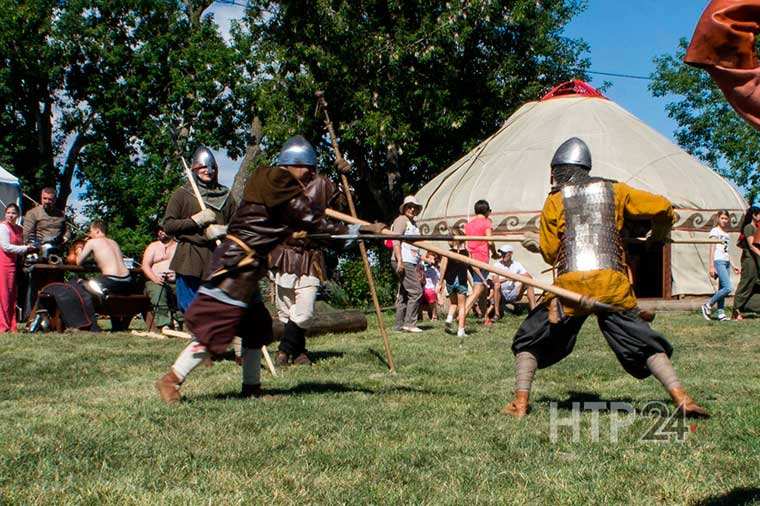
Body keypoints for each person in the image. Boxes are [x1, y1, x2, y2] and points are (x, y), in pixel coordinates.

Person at [155, 135, 383, 403]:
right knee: (215, 326)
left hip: (249, 266)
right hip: (235, 264)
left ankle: (252, 389)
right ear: (293, 164)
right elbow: (309, 219)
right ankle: (171, 380)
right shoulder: (273, 180)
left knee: (256, 326)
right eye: (308, 170)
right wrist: (361, 229)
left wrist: (354, 229)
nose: (311, 175)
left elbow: (307, 223)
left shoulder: (284, 190)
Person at [502, 137, 709, 419]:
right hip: (612, 285)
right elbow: (662, 206)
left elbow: (552, 254)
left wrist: (536, 244)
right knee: (642, 341)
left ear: (559, 170)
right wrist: (660, 232)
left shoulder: (554, 200)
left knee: (529, 339)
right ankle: (682, 398)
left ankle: (520, 403)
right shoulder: (617, 190)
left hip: (570, 287)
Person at [268, 137, 349, 367]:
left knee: (304, 311)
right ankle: (300, 351)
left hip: (310, 255)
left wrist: (344, 181)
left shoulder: (322, 185)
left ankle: (284, 351)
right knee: (286, 311)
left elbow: (342, 206)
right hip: (283, 254)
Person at [163, 146, 235, 313]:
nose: (208, 171)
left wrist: (223, 229)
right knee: (191, 306)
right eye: (203, 167)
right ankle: (199, 335)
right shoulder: (182, 194)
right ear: (195, 169)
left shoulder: (226, 195)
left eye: (212, 167)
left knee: (218, 305)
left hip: (217, 255)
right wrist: (194, 221)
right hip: (190, 256)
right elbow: (169, 226)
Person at [391, 196, 424, 332]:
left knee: (405, 293)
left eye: (414, 207)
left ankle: (399, 325)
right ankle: (410, 324)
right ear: (404, 208)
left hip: (410, 261)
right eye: (409, 206)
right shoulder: (401, 220)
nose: (412, 209)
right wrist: (400, 261)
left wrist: (421, 262)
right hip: (404, 260)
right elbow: (395, 241)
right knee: (416, 291)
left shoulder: (413, 223)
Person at [0, 204, 35, 331]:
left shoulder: (19, 229)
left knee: (12, 296)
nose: (10, 215)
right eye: (8, 212)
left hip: (14, 265)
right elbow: (6, 247)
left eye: (13, 213)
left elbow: (20, 245)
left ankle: (11, 324)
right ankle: (3, 326)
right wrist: (26, 248)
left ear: (18, 215)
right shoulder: (3, 227)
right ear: (5, 214)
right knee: (4, 296)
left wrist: (28, 246)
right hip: (3, 264)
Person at [76, 220, 135, 296]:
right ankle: (103, 292)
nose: (89, 234)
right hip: (128, 281)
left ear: (97, 231)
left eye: (91, 231)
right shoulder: (114, 242)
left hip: (111, 281)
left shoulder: (92, 242)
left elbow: (78, 261)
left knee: (81, 282)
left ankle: (103, 294)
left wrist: (79, 248)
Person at [464, 200, 497, 324]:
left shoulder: (469, 224)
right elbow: (490, 241)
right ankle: (462, 313)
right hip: (482, 258)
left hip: (471, 258)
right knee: (478, 289)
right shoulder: (486, 222)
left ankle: (485, 317)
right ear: (487, 211)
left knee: (481, 289)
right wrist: (494, 252)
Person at [701, 210, 739, 321]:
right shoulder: (715, 231)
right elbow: (712, 247)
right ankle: (707, 305)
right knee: (728, 288)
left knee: (722, 288)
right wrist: (711, 266)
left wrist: (733, 265)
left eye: (726, 219)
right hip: (718, 261)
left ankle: (721, 314)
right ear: (718, 218)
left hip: (726, 262)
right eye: (722, 218)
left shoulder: (726, 234)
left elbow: (726, 251)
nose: (724, 221)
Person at [142, 225, 179, 330]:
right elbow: (145, 266)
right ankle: (164, 324)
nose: (161, 232)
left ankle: (179, 321)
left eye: (164, 230)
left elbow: (186, 265)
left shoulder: (179, 247)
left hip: (176, 281)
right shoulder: (153, 246)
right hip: (155, 280)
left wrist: (177, 275)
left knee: (185, 291)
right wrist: (155, 278)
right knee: (159, 291)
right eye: (159, 230)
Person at [491, 245, 537, 317]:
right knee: (497, 285)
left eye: (504, 253)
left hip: (513, 292)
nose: (502, 255)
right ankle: (497, 314)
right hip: (501, 293)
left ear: (511, 254)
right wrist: (508, 278)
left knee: (529, 284)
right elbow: (494, 281)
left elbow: (529, 277)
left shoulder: (516, 264)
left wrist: (516, 278)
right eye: (501, 253)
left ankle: (534, 312)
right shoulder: (497, 264)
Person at [732, 205, 760, 320]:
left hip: (755, 260)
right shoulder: (749, 227)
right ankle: (736, 310)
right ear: (754, 215)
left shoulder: (757, 228)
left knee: (756, 285)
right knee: (746, 284)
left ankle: (748, 307)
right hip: (749, 261)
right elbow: (752, 245)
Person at [438, 240, 469, 337]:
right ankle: (461, 330)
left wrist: (440, 282)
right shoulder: (466, 253)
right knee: (462, 306)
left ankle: (449, 318)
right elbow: (471, 267)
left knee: (454, 303)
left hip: (450, 282)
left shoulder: (448, 252)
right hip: (461, 282)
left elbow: (443, 268)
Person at [420, 252, 440, 321]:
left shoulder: (435, 269)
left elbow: (438, 282)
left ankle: (434, 315)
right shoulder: (421, 265)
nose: (431, 260)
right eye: (429, 258)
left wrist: (438, 293)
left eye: (432, 259)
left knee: (430, 293)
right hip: (421, 287)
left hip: (430, 289)